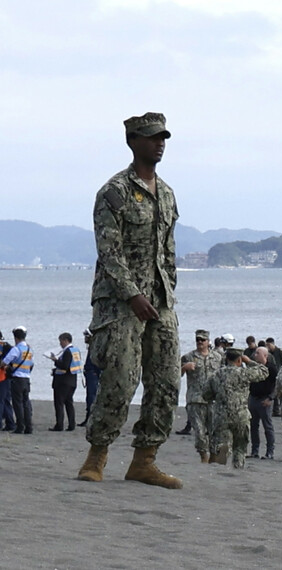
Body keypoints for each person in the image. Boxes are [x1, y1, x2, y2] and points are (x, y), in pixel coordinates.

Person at [77, 112, 183, 489]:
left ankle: (144, 460)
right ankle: (97, 455)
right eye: (153, 137)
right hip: (121, 302)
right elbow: (109, 252)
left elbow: (168, 251)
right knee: (121, 379)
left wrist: (167, 288)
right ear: (133, 141)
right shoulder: (115, 191)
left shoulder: (167, 193)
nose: (160, 143)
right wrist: (133, 294)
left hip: (160, 302)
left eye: (163, 137)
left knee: (168, 381)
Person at [202, 348, 268, 469]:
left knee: (221, 443)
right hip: (241, 415)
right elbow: (264, 371)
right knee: (240, 446)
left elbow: (206, 394)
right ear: (239, 360)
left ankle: (221, 465)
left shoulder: (216, 374)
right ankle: (238, 467)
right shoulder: (244, 373)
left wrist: (218, 396)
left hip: (222, 416)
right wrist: (248, 361)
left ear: (226, 359)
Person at [180, 329, 222, 462]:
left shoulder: (217, 357)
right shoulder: (188, 357)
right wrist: (184, 368)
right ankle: (203, 455)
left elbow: (223, 375)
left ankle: (215, 455)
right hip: (195, 399)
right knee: (199, 431)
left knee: (215, 430)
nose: (199, 342)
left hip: (213, 400)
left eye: (202, 340)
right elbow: (175, 375)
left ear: (208, 341)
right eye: (197, 339)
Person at [3, 326, 34, 434]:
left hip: (17, 378)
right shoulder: (29, 349)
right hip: (26, 378)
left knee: (17, 403)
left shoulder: (16, 349)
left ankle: (20, 426)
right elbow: (31, 364)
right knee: (26, 403)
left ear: (15, 338)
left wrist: (7, 367)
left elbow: (5, 362)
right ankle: (29, 427)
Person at [48, 332, 81, 431]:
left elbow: (65, 366)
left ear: (65, 340)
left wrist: (55, 360)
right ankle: (71, 424)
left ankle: (59, 425)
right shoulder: (76, 350)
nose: (60, 344)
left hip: (63, 381)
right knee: (69, 403)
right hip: (72, 380)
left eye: (61, 341)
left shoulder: (67, 352)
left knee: (59, 403)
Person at [248, 346, 277, 459]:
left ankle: (270, 452)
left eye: (257, 353)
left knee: (267, 426)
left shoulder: (271, 368)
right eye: (255, 353)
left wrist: (271, 398)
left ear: (265, 356)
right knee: (253, 426)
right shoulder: (254, 368)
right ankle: (254, 451)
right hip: (253, 398)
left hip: (265, 399)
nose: (255, 355)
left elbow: (277, 385)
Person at [78, 329, 100, 428]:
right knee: (90, 396)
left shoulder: (95, 347)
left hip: (93, 374)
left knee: (92, 396)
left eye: (87, 336)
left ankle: (90, 418)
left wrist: (95, 372)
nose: (85, 338)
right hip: (90, 373)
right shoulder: (92, 347)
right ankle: (89, 417)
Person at [0, 331, 15, 431]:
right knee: (5, 400)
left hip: (2, 376)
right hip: (7, 376)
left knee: (1, 401)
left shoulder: (3, 347)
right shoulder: (8, 346)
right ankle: (10, 423)